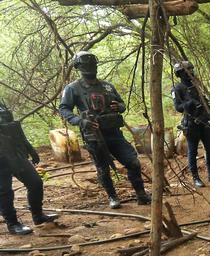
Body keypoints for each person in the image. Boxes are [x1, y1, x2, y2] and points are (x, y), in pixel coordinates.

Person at [59, 51, 151, 209]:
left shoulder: (107, 86)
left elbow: (122, 105)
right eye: (86, 65)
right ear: (79, 67)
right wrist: (81, 121)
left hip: (114, 133)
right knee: (103, 168)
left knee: (133, 162)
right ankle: (112, 197)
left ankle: (141, 194)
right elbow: (64, 109)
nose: (90, 67)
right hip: (94, 136)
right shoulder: (72, 88)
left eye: (92, 64)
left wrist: (118, 106)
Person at [0, 102, 58, 235]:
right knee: (4, 192)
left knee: (35, 182)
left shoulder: (2, 105)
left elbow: (14, 128)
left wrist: (29, 148)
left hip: (15, 153)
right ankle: (13, 224)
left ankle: (38, 215)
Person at [172, 60, 210, 188]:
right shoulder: (177, 88)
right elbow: (178, 107)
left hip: (204, 122)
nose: (191, 72)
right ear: (181, 73)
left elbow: (207, 103)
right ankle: (196, 178)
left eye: (191, 69)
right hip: (191, 124)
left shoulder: (197, 85)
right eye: (188, 70)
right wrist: (189, 103)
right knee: (193, 151)